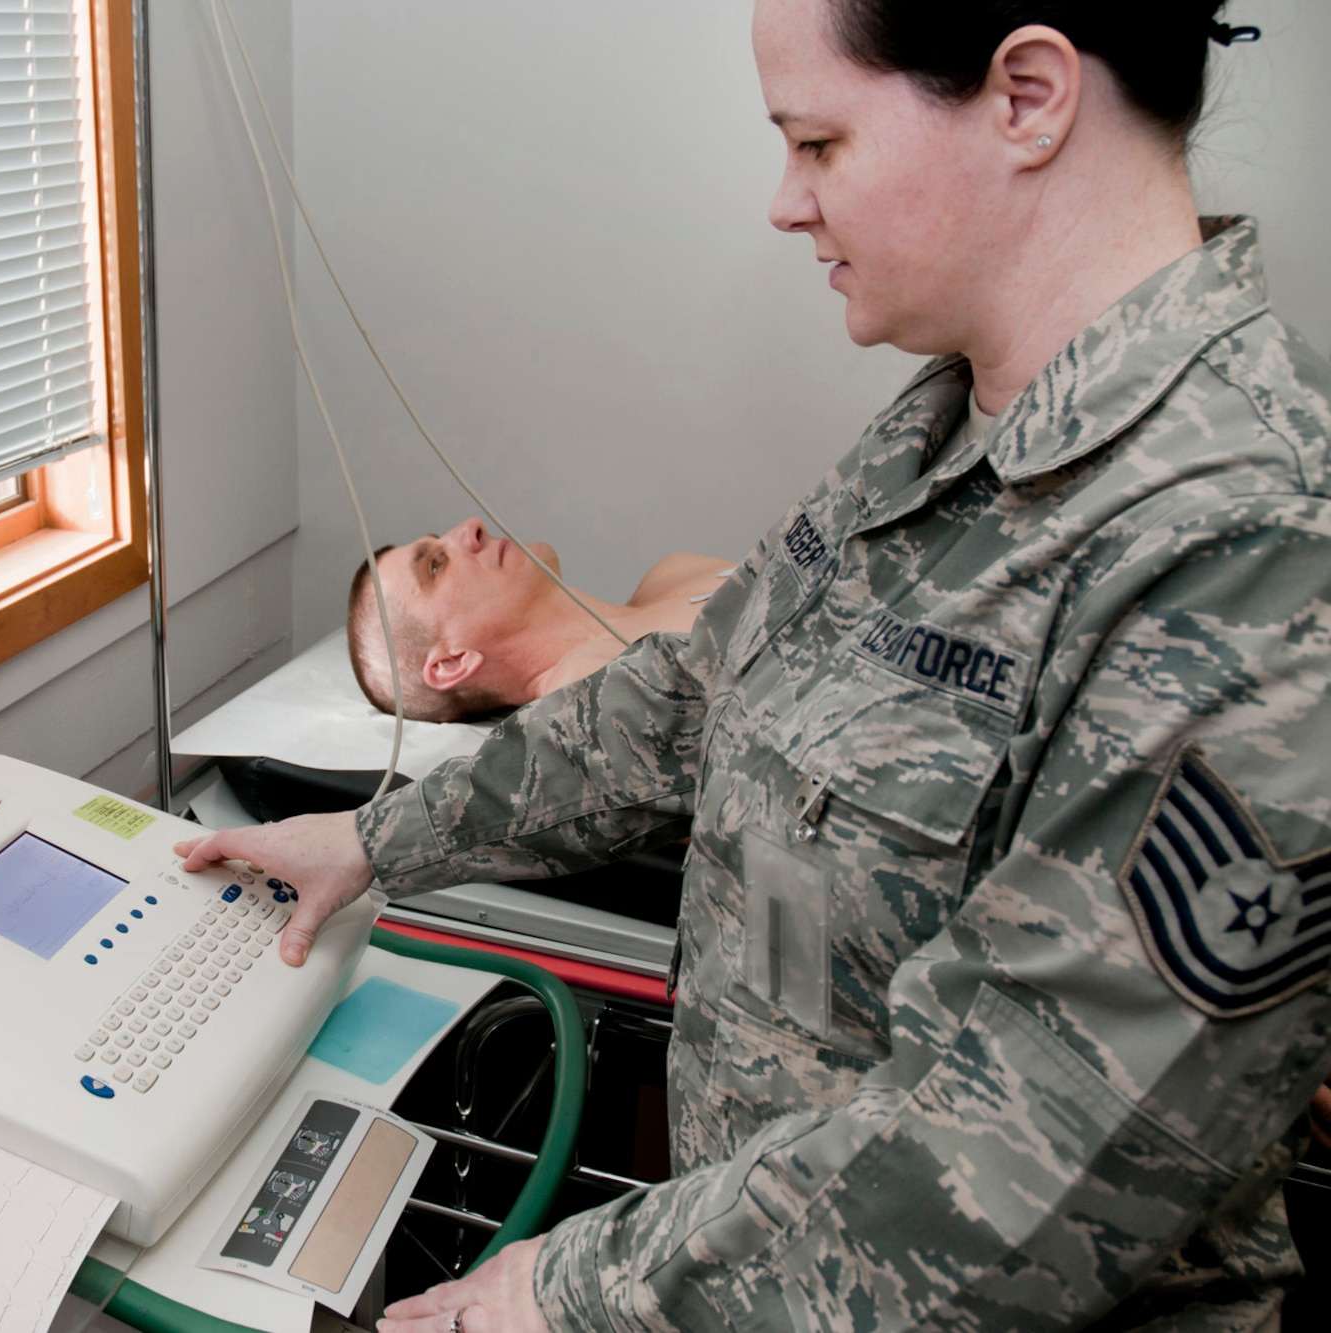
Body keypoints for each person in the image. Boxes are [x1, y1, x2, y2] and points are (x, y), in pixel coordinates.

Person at [178, 2, 1331, 1329]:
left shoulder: (1255, 536)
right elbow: (685, 699)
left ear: (1027, 96)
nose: (788, 203)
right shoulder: (938, 437)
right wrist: (378, 838)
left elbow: (1023, 1151)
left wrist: (566, 1295)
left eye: (818, 142)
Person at [345, 518, 735, 722]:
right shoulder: (583, 694)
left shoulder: (673, 571)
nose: (472, 526)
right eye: (435, 566)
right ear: (452, 663)